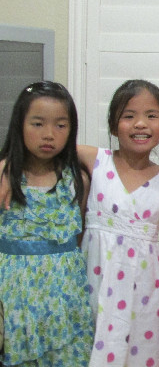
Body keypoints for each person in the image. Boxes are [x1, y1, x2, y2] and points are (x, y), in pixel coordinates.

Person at [78, 79, 159, 365]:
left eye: (151, 115)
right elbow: (48, 148)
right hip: (94, 285)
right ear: (113, 126)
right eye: (129, 116)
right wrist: (6, 168)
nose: (141, 124)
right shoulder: (95, 160)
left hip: (147, 295)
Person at [0, 81, 94, 365]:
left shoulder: (77, 180)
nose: (49, 134)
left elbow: (79, 238)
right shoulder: (4, 177)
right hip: (13, 297)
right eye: (37, 124)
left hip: (65, 298)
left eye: (60, 125)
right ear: (20, 124)